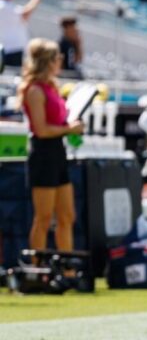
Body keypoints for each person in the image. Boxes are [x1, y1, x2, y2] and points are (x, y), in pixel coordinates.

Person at [21, 39, 84, 253]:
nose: (60, 61)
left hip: (58, 152)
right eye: (57, 58)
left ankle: (67, 267)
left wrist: (71, 125)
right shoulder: (34, 91)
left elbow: (58, 122)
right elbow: (41, 130)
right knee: (44, 216)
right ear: (48, 62)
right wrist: (70, 129)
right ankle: (39, 269)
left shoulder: (52, 87)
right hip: (43, 153)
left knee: (67, 216)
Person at [0, 0, 40, 68]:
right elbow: (25, 14)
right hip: (11, 49)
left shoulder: (6, 5)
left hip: (10, 49)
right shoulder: (3, 5)